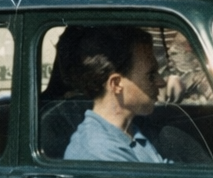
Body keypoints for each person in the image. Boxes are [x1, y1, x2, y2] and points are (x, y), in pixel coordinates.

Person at [61, 26, 171, 163]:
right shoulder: (98, 151)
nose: (161, 82)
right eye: (151, 75)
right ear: (116, 84)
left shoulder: (131, 132)